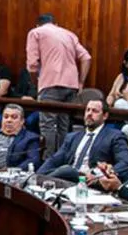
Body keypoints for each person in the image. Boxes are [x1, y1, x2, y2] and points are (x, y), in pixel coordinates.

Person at [26, 14, 92, 155]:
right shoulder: (69, 34)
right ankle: (63, 157)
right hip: (71, 85)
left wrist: (36, 81)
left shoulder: (36, 32)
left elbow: (32, 65)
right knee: (64, 124)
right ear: (55, 24)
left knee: (48, 125)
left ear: (38, 25)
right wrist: (81, 82)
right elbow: (86, 57)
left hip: (50, 83)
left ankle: (48, 159)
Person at [38, 99, 128, 182]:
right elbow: (54, 160)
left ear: (105, 116)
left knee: (67, 170)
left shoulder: (114, 136)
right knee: (60, 170)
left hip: (91, 181)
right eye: (88, 110)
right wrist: (37, 174)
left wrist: (100, 175)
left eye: (95, 111)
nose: (89, 114)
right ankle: (36, 179)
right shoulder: (72, 137)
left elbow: (125, 163)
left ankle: (41, 180)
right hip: (68, 179)